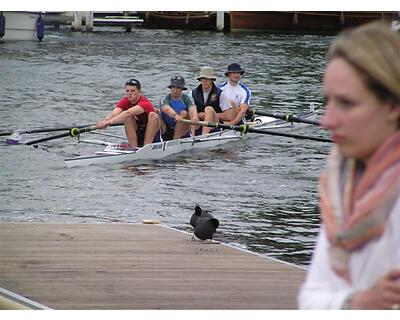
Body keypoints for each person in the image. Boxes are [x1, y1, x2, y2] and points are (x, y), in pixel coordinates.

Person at [298, 21, 400, 310]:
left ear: (392, 106)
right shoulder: (341, 185)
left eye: (346, 103)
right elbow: (310, 298)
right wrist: (357, 303)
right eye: (328, 101)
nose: (326, 121)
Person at [96, 78, 161, 148]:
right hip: (138, 133)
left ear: (139, 92)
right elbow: (114, 114)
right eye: (127, 91)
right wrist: (104, 121)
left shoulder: (145, 103)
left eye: (132, 91)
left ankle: (147, 147)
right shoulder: (125, 101)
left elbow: (128, 113)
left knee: (153, 115)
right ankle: (133, 148)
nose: (129, 93)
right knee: (128, 118)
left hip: (153, 136)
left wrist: (109, 123)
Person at [191, 66, 233, 135]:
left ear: (212, 80)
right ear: (200, 80)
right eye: (203, 78)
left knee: (209, 109)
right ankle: (190, 135)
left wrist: (207, 115)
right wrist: (196, 115)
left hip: (215, 125)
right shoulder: (192, 94)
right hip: (198, 124)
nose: (205, 81)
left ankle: (204, 137)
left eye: (207, 79)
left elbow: (228, 116)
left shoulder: (220, 94)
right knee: (188, 112)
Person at [160, 75, 199, 140]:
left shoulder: (186, 98)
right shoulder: (165, 99)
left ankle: (176, 139)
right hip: (167, 128)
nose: (175, 90)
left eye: (178, 88)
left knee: (183, 113)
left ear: (182, 89)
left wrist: (194, 117)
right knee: (155, 112)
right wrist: (175, 115)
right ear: (171, 88)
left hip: (183, 129)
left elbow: (192, 109)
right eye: (173, 87)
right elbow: (166, 108)